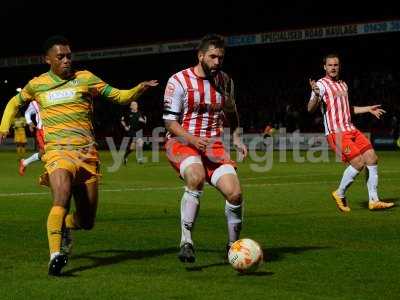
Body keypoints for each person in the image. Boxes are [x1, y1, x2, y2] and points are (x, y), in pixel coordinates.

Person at [0, 35, 158, 276]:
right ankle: (55, 256)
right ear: (48, 59)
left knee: (87, 221)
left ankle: (65, 225)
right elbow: (13, 103)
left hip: (87, 155)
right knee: (61, 195)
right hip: (57, 152)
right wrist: (3, 127)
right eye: (60, 57)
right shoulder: (37, 84)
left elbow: (119, 96)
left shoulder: (85, 79)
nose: (66, 60)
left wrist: (139, 89)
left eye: (68, 56)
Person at [163, 34, 248, 263]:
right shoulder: (178, 81)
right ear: (200, 56)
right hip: (181, 142)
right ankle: (186, 241)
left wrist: (237, 137)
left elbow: (231, 112)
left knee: (235, 193)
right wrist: (192, 139)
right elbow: (170, 123)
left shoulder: (225, 81)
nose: (217, 62)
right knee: (196, 176)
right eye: (212, 57)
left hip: (214, 146)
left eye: (220, 57)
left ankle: (232, 247)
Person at [307, 53, 394, 212]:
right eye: (330, 65)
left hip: (350, 128)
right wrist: (316, 95)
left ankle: (374, 200)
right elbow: (310, 108)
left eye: (336, 65)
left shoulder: (343, 85)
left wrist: (368, 109)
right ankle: (339, 193)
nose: (333, 68)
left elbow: (348, 109)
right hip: (336, 133)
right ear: (324, 67)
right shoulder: (320, 85)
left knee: (371, 158)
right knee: (358, 162)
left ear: (339, 66)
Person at [19, 100, 44, 176]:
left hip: (58, 129)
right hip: (42, 130)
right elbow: (27, 113)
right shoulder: (35, 102)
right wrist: (30, 122)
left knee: (43, 153)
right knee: (47, 152)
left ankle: (25, 162)